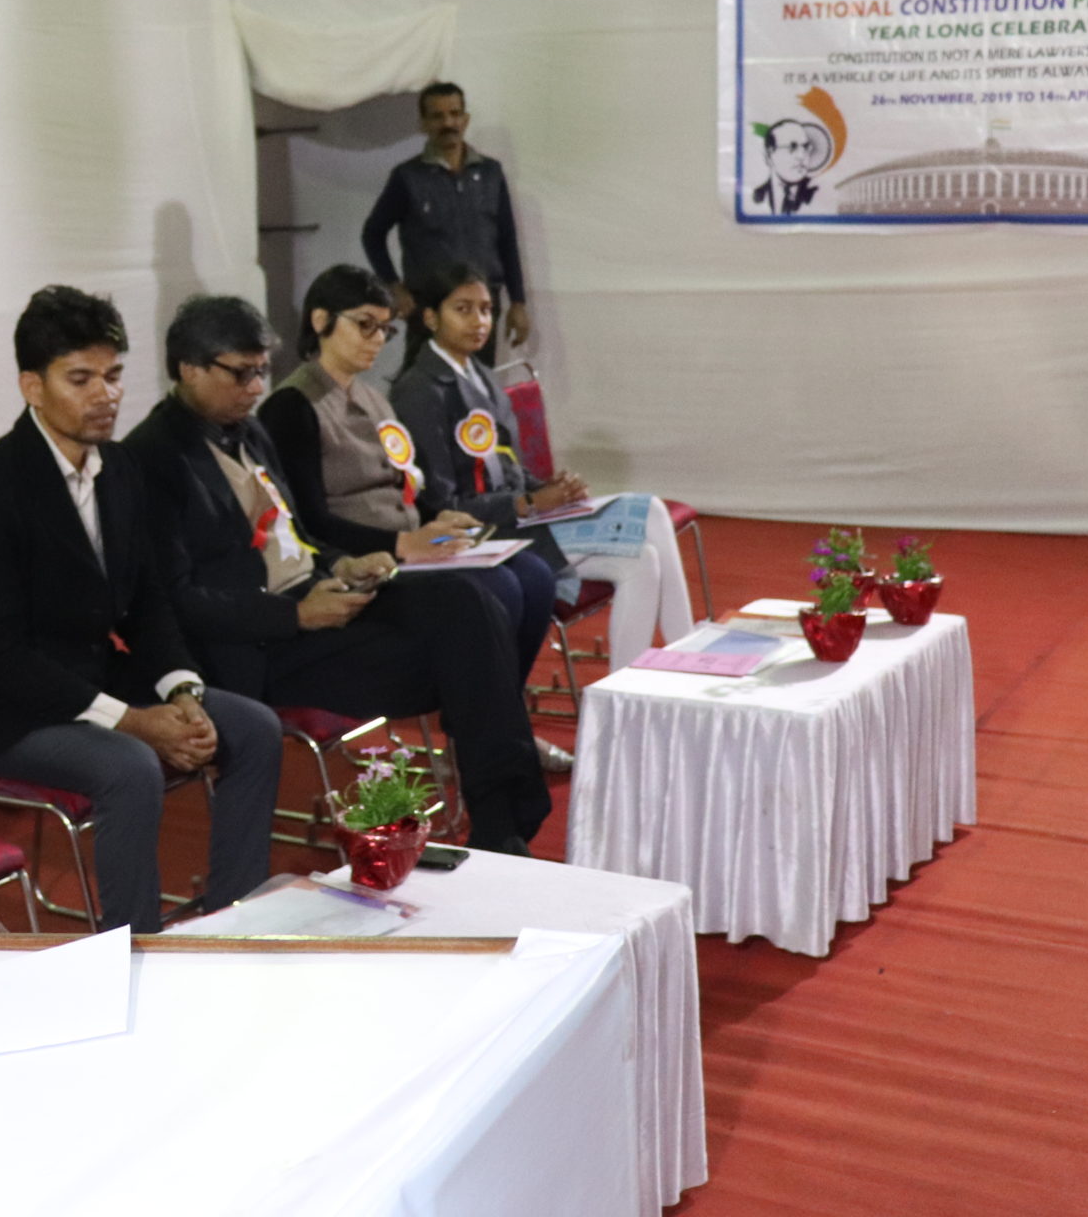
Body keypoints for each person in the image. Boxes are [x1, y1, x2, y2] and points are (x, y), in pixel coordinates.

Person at [128, 295, 551, 853]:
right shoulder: (151, 457)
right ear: (189, 369)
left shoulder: (247, 431)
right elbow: (176, 600)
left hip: (318, 593)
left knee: (467, 600)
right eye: (241, 373)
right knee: (464, 658)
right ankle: (503, 825)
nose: (256, 387)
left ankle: (504, 815)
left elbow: (299, 533)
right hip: (262, 641)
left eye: (262, 371)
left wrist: (343, 562)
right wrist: (296, 615)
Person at [0, 285, 283, 932]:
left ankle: (233, 924)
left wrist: (182, 690)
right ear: (32, 386)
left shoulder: (120, 468)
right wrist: (133, 721)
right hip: (5, 709)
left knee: (254, 728)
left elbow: (147, 602)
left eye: (115, 375)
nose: (106, 394)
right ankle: (133, 949)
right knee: (130, 765)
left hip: (95, 678)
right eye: (81, 379)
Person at [256, 266, 571, 773]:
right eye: (365, 325)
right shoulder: (293, 405)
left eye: (385, 328)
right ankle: (483, 740)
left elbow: (405, 483)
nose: (377, 339)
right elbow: (310, 521)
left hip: (410, 541)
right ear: (320, 320)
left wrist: (439, 518)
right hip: (366, 558)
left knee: (533, 576)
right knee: (500, 589)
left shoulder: (372, 395)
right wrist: (404, 543)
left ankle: (496, 725)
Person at [394, 260, 695, 674]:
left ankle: (617, 698)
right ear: (430, 317)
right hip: (478, 535)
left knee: (642, 561)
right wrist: (528, 503)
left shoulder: (481, 376)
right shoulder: (418, 390)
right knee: (652, 512)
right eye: (462, 309)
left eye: (486, 309)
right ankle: (687, 657)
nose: (479, 321)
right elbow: (440, 504)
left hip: (517, 519)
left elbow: (510, 470)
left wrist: (551, 489)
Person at [361, 81, 527, 366]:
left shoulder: (491, 173)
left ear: (466, 119)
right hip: (429, 309)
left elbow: (507, 240)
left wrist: (518, 303)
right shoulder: (408, 177)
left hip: (481, 307)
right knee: (423, 384)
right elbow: (372, 234)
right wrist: (394, 287)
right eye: (437, 116)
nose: (448, 123)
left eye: (454, 114)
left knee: (478, 385)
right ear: (424, 123)